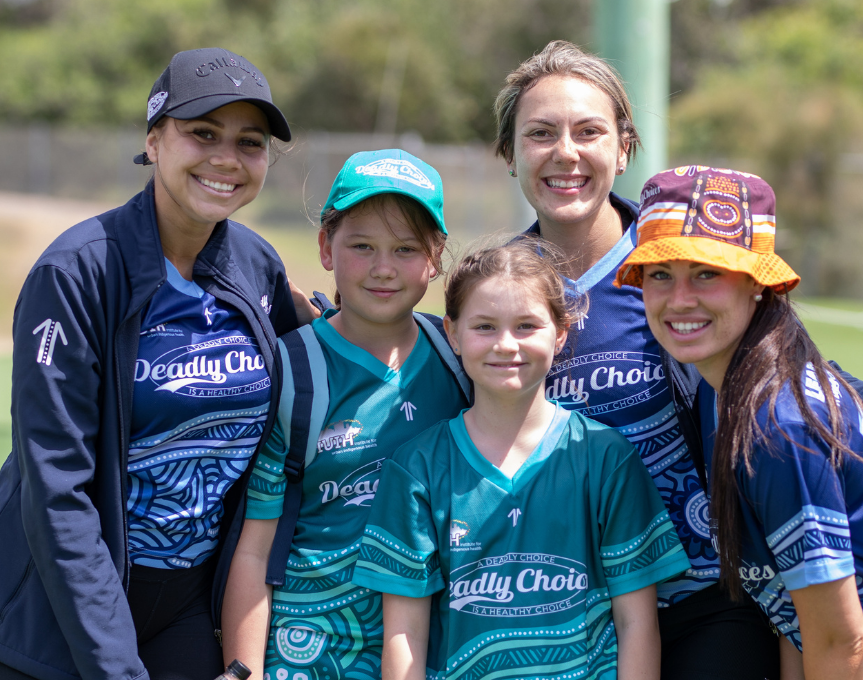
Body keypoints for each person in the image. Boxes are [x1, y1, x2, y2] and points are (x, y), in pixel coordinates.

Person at [494, 39, 863, 679]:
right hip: (564, 610)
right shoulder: (497, 290)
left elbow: (776, 362)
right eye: (540, 134)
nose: (565, 152)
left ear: (623, 147)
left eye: (589, 131)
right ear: (509, 153)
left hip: (710, 602)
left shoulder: (677, 262)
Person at [0, 48, 300, 680]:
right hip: (63, 613)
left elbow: (318, 357)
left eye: (250, 142)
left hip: (191, 605)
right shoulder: (76, 272)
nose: (226, 158)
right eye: (202, 133)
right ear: (154, 140)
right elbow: (58, 490)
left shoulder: (257, 264)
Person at [352, 239, 690, 680]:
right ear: (452, 333)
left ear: (561, 332)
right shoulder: (417, 467)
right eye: (485, 327)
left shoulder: (607, 459)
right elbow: (405, 636)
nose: (506, 345)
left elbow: (637, 623)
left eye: (527, 326)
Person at [615, 165, 863, 680]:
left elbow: (843, 642)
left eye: (707, 272)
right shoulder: (719, 388)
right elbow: (797, 614)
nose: (679, 299)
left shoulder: (778, 427)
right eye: (660, 274)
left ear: (757, 285)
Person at [220, 149, 471, 680]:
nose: (383, 268)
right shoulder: (294, 368)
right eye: (362, 246)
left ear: (435, 257)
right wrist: (245, 671)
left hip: (433, 646)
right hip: (312, 651)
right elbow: (255, 549)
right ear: (326, 248)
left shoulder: (461, 357)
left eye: (405, 249)